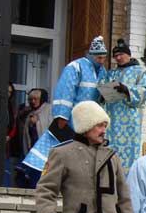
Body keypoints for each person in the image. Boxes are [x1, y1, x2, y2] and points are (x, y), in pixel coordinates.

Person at [22, 35, 109, 188]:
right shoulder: (76, 66)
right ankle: (35, 178)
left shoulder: (102, 71)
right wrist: (62, 115)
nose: (101, 60)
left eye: (103, 58)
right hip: (71, 118)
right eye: (99, 57)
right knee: (55, 149)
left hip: (89, 121)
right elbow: (65, 91)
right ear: (92, 55)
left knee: (77, 152)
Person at [103, 39, 146, 177]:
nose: (118, 58)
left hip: (130, 120)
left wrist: (127, 90)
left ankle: (127, 182)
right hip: (111, 118)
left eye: (121, 54)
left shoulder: (140, 71)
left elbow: (145, 91)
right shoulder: (111, 73)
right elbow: (103, 87)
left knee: (128, 153)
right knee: (109, 149)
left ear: (128, 54)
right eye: (115, 56)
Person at [20, 89, 52, 158]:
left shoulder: (49, 109)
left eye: (36, 99)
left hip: (45, 150)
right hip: (33, 150)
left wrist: (37, 122)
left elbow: (51, 128)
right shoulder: (31, 113)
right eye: (31, 99)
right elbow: (27, 135)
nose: (33, 101)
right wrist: (31, 124)